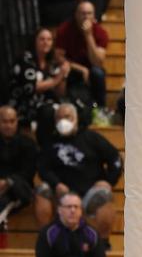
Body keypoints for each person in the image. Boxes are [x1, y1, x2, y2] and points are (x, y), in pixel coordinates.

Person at [35, 103, 123, 245]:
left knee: (104, 196)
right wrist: (56, 184)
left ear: (76, 118)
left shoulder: (91, 138)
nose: (63, 121)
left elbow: (115, 159)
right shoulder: (50, 142)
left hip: (89, 194)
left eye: (67, 117)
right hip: (61, 194)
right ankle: (45, 241)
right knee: (42, 191)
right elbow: (43, 168)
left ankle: (103, 243)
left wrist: (109, 181)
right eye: (59, 118)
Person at [54, 0, 109, 109]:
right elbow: (58, 57)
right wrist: (81, 69)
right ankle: (64, 106)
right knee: (61, 70)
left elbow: (97, 62)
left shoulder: (101, 32)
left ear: (94, 16)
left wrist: (88, 35)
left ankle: (101, 109)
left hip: (92, 69)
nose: (86, 17)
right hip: (71, 66)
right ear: (76, 15)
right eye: (82, 13)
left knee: (98, 73)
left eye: (89, 13)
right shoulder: (64, 29)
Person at [0, 106, 38, 228]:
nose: (9, 125)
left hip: (19, 188)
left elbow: (28, 172)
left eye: (12, 121)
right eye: (4, 122)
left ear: (17, 122)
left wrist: (7, 182)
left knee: (14, 191)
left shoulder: (28, 144)